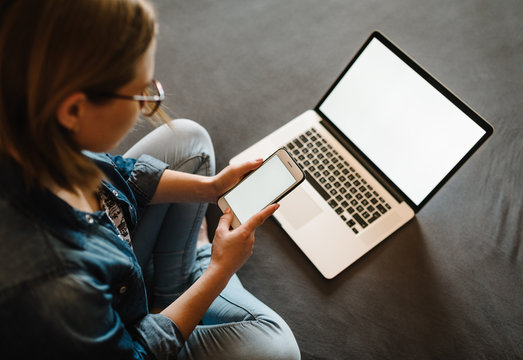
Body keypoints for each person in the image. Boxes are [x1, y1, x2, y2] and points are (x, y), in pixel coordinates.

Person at [0, 0, 301, 359]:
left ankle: (170, 295)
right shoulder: (57, 283)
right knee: (276, 346)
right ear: (74, 110)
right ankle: (197, 269)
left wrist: (212, 188)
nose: (149, 104)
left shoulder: (32, 132)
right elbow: (135, 354)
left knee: (190, 139)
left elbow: (114, 172)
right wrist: (219, 270)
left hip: (117, 273)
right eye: (142, 92)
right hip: (119, 329)